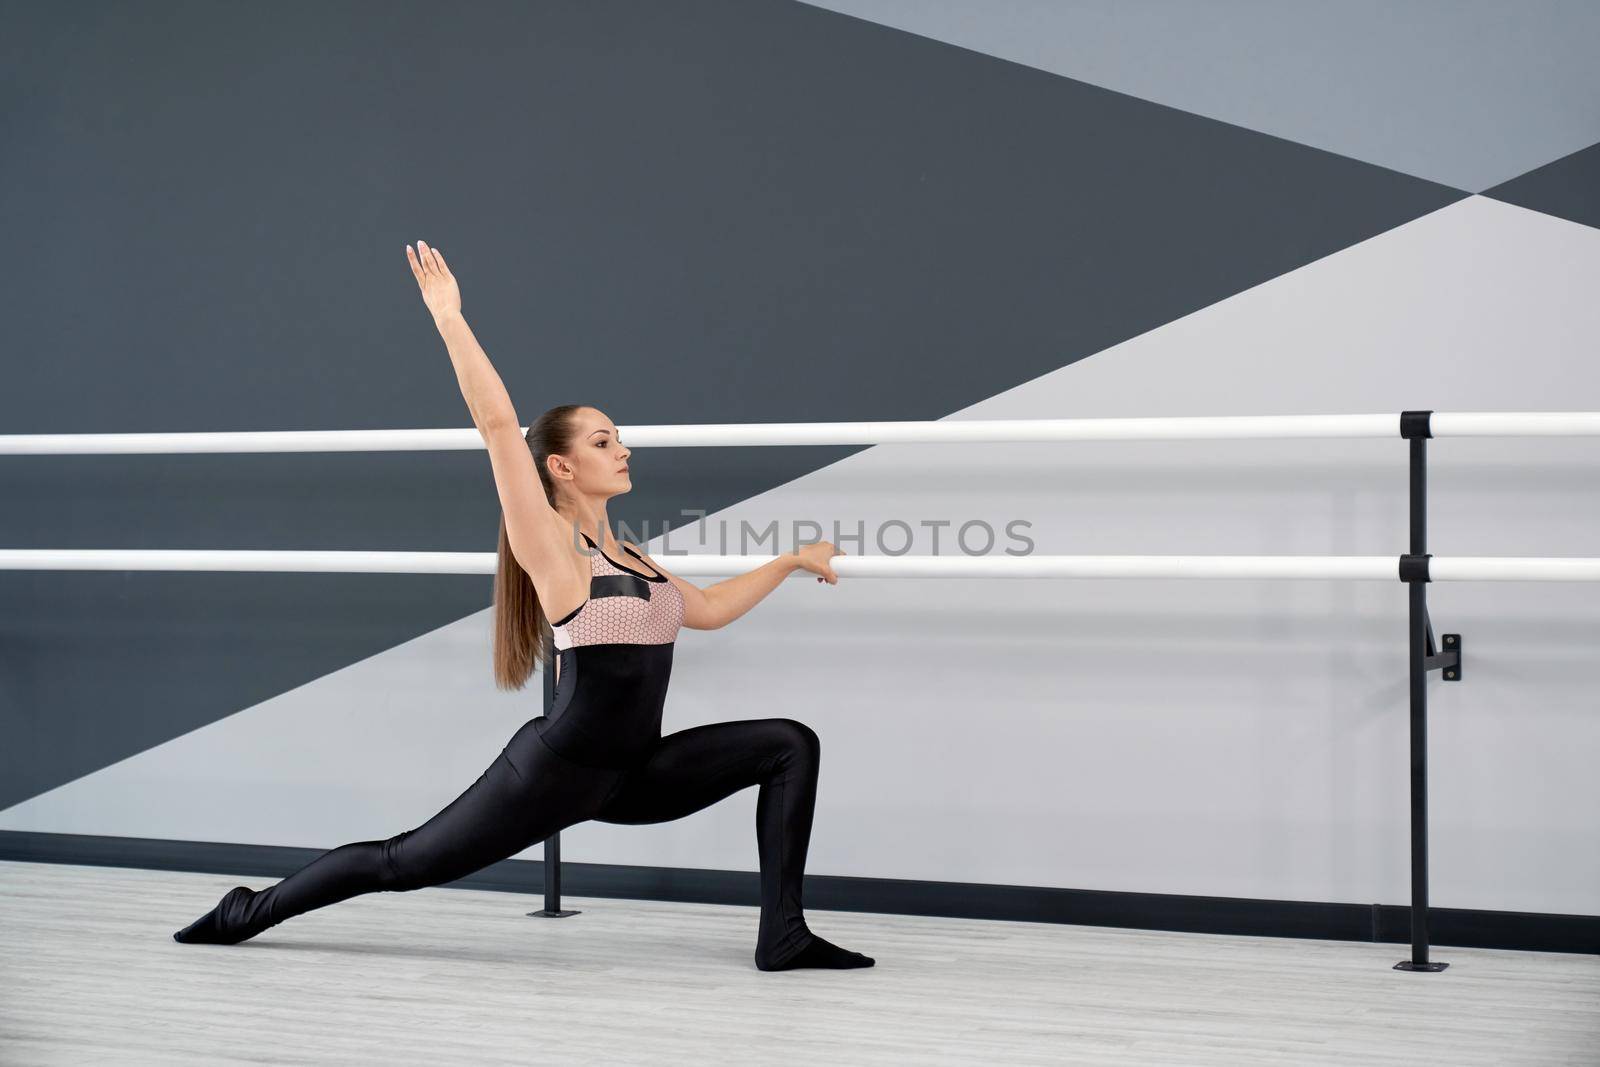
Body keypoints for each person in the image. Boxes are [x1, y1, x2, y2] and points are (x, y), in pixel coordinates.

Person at [172, 240, 874, 972]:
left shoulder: (632, 554)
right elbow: (498, 426)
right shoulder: (552, 547)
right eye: (605, 441)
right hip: (553, 772)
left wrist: (792, 559)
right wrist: (449, 317)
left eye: (621, 438)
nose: (624, 449)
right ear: (562, 466)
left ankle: (784, 934)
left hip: (633, 773)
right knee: (400, 863)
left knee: (790, 742)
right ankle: (246, 909)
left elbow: (709, 607)